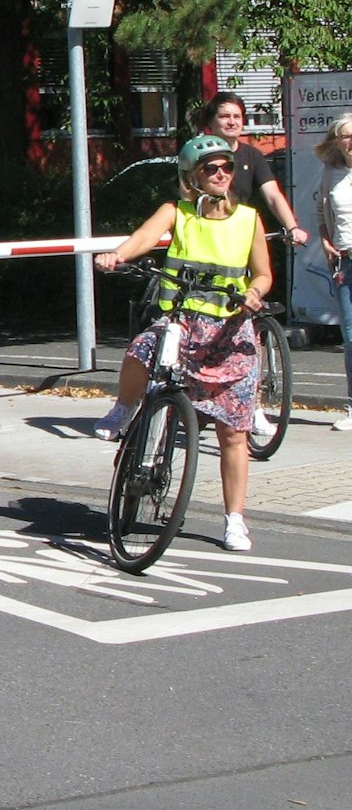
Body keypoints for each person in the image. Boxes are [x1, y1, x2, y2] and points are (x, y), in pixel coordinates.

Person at [95, 135, 270, 552]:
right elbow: (142, 236)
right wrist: (117, 255)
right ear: (192, 177)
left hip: (229, 335)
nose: (221, 174)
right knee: (141, 349)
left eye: (225, 167)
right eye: (211, 169)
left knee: (233, 434)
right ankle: (124, 407)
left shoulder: (248, 219)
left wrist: (254, 293)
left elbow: (262, 273)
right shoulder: (177, 212)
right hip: (182, 325)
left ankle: (235, 520)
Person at [194, 92, 308, 247]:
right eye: (225, 116)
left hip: (240, 236)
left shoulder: (252, 155)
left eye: (237, 116)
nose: (232, 122)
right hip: (204, 236)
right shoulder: (196, 153)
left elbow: (273, 195)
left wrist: (292, 227)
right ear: (210, 121)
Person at [313, 113, 352, 432]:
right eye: (346, 136)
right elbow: (319, 212)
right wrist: (326, 242)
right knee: (351, 337)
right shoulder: (331, 172)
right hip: (345, 261)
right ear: (337, 142)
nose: (351, 141)